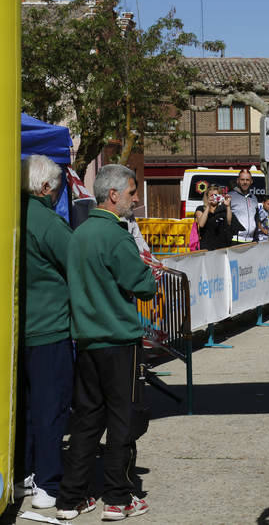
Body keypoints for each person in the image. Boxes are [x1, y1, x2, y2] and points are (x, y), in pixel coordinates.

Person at [56, 164, 156, 521]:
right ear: (113, 195)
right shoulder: (116, 235)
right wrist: (148, 273)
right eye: (132, 192)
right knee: (123, 418)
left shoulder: (79, 234)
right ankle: (118, 497)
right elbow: (142, 283)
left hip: (86, 339)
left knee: (86, 420)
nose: (135, 198)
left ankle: (72, 498)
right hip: (118, 339)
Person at [18, 155, 74, 510]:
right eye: (55, 189)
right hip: (49, 328)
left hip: (19, 331)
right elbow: (77, 261)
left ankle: (23, 472)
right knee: (50, 409)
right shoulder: (46, 222)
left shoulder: (15, 215)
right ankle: (48, 483)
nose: (57, 195)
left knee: (23, 408)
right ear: (44, 187)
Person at [195, 185, 242, 250]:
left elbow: (229, 222)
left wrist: (228, 206)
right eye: (211, 195)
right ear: (207, 197)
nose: (214, 197)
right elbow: (201, 224)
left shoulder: (223, 209)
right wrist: (208, 205)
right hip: (206, 246)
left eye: (216, 195)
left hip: (222, 245)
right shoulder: (201, 209)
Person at [229, 169, 258, 242]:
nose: (245, 182)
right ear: (238, 181)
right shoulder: (230, 196)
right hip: (235, 240)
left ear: (251, 181)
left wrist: (256, 238)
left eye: (247, 180)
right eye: (242, 180)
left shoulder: (254, 198)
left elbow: (256, 219)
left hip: (251, 241)